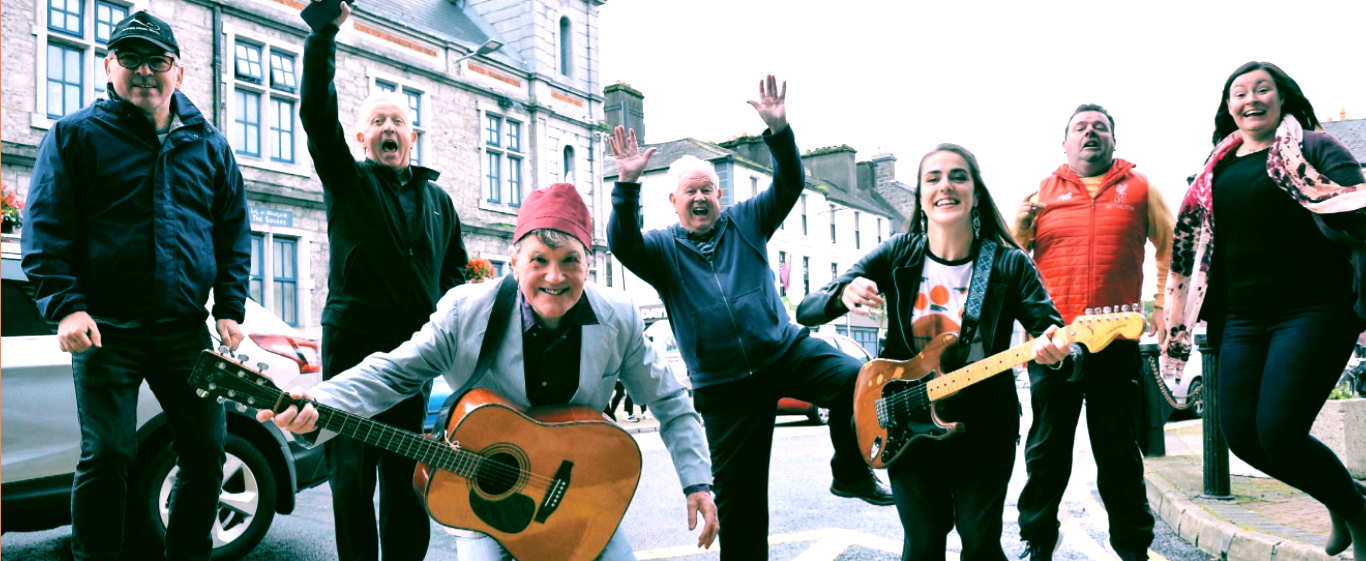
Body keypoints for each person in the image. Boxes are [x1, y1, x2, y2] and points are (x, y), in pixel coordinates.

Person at [259, 183, 718, 560]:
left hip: (582, 496)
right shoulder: (466, 312)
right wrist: (319, 405)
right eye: (539, 260)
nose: (554, 277)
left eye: (570, 262)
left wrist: (697, 482)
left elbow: (670, 402)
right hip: (488, 510)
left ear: (588, 265)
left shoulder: (618, 318)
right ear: (514, 262)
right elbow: (392, 373)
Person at [607, 75, 893, 561]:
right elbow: (622, 242)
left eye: (707, 190)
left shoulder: (745, 220)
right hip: (725, 389)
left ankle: (849, 469)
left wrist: (778, 131)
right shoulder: (660, 249)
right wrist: (627, 182)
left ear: (720, 194)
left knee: (859, 379)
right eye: (689, 193)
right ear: (672, 203)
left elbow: (789, 184)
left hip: (784, 352)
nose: (700, 199)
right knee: (741, 513)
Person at [20, 10, 251, 561]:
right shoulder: (74, 136)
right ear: (109, 67)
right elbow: (46, 229)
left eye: (158, 61)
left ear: (180, 72)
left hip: (184, 333)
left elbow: (232, 230)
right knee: (108, 456)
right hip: (106, 331)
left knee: (205, 453)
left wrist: (231, 306)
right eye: (131, 59)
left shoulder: (210, 146)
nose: (145, 71)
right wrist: (67, 308)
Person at [797, 144, 1070, 561]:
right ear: (921, 197)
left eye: (959, 177)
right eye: (934, 178)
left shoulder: (1010, 265)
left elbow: (1052, 332)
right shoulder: (896, 255)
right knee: (922, 545)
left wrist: (1060, 352)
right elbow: (808, 308)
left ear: (976, 194)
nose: (946, 185)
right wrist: (843, 293)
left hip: (985, 427)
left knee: (980, 543)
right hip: (907, 425)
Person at [1161, 61, 1366, 559]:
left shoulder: (1314, 148)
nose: (1251, 99)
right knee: (1243, 437)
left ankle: (1359, 517)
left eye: (1262, 89)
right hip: (1245, 319)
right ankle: (1346, 501)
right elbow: (1202, 250)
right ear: (1228, 107)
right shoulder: (1217, 168)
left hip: (1314, 308)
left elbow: (1357, 207)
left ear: (1282, 97)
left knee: (1278, 430)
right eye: (1240, 92)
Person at [298, 2, 468, 559]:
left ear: (412, 137)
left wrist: (447, 330)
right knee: (350, 476)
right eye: (378, 122)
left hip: (412, 354)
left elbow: (456, 274)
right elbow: (316, 117)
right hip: (352, 344)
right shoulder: (348, 182)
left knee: (405, 478)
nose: (389, 128)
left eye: (398, 121)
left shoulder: (440, 201)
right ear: (361, 137)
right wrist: (323, 35)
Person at [1013, 104, 1174, 560]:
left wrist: (1162, 305)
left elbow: (1170, 245)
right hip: (1052, 345)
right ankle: (1038, 538)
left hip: (1116, 341)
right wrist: (1021, 224)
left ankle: (1132, 547)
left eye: (1099, 127)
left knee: (1119, 453)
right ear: (1064, 144)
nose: (1090, 133)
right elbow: (1008, 255)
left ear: (1113, 142)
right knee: (1045, 452)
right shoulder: (1042, 191)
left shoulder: (1140, 188)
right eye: (1080, 128)